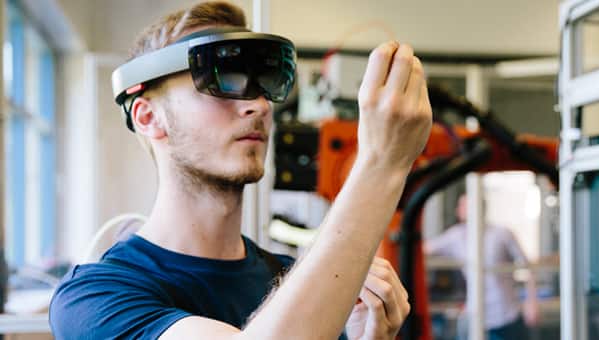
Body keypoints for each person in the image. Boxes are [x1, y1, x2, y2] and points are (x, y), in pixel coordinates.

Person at [49, 2, 432, 339]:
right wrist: (381, 163)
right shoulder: (95, 298)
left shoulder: (298, 283)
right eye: (224, 80)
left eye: (264, 84)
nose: (260, 106)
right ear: (149, 117)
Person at [424, 194, 540, 340]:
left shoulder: (502, 233)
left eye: (463, 205)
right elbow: (423, 249)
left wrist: (532, 302)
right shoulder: (456, 235)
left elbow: (528, 267)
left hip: (505, 316)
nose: (458, 209)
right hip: (475, 315)